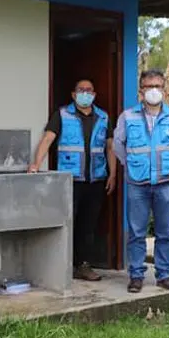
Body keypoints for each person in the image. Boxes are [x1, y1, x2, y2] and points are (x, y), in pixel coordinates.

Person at [29, 78, 117, 282]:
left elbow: (110, 147)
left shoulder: (103, 117)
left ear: (94, 94)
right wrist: (36, 164)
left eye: (89, 90)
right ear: (73, 94)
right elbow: (48, 139)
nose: (85, 93)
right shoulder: (62, 114)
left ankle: (83, 265)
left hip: (96, 180)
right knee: (67, 222)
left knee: (88, 225)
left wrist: (112, 174)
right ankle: (62, 266)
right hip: (69, 180)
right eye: (81, 90)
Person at [113, 69, 169, 293]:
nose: (154, 91)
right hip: (138, 183)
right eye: (149, 86)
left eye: (158, 86)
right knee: (137, 232)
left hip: (165, 182)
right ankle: (136, 275)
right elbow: (118, 146)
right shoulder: (128, 116)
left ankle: (164, 275)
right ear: (141, 90)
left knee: (165, 232)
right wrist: (134, 165)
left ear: (164, 90)